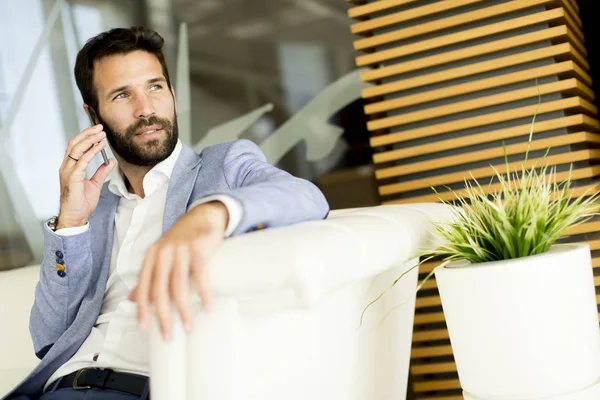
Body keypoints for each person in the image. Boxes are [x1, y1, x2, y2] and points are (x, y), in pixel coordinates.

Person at [4, 26, 329, 400]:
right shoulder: (93, 205)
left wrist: (210, 215)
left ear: (172, 94)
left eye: (155, 87)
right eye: (123, 94)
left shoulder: (223, 166)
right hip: (57, 389)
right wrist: (71, 224)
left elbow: (306, 196)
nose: (146, 110)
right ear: (94, 114)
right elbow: (48, 341)